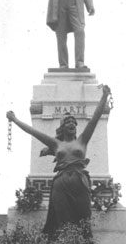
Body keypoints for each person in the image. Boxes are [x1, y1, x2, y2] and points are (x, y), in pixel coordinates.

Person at [6, 85, 111, 236]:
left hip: (80, 182)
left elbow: (94, 119)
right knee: (62, 222)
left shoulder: (82, 140)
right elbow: (33, 132)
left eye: (74, 122)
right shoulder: (56, 144)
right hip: (61, 184)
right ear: (62, 127)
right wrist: (15, 120)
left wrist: (104, 97)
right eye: (68, 122)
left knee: (83, 222)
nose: (72, 124)